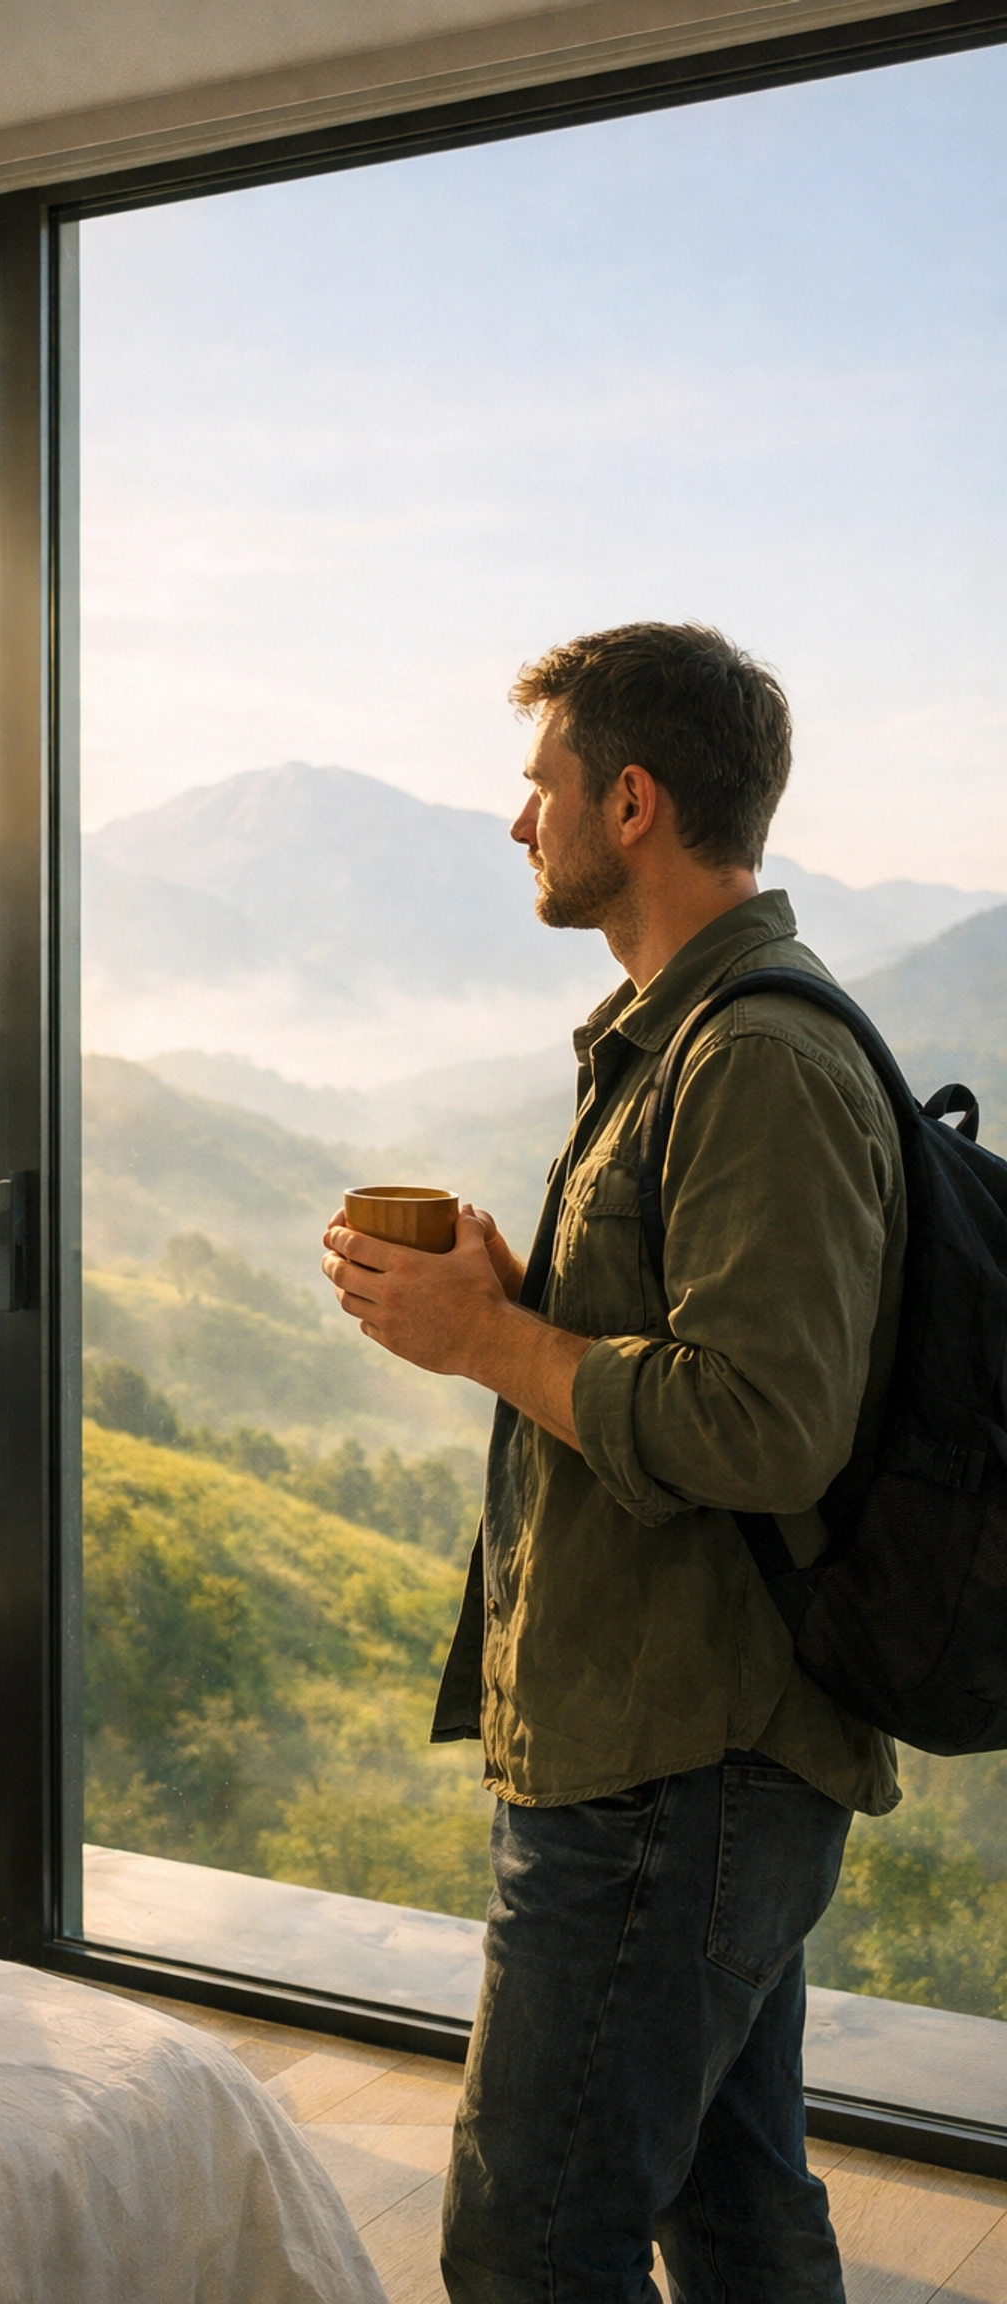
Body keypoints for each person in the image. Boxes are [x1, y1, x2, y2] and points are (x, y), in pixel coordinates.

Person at [321, 622, 903, 2304]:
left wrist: (489, 1344)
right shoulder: (679, 1037)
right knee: (736, 2210)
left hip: (674, 1779)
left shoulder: (757, 1061)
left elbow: (766, 1420)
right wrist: (517, 1301)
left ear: (631, 802)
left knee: (532, 2242)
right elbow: (696, 1349)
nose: (521, 822)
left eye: (541, 787)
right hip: (686, 1754)